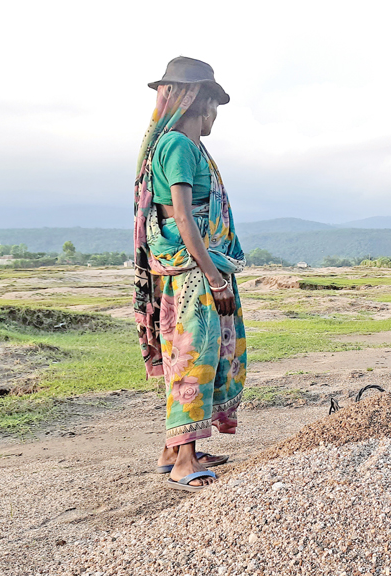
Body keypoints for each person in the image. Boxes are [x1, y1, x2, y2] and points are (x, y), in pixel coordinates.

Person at [133, 57, 247, 492]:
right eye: (212, 103)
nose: (215, 113)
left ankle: (177, 449)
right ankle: (184, 460)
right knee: (193, 356)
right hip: (195, 273)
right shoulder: (179, 146)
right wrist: (215, 279)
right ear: (197, 100)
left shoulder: (188, 147)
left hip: (195, 268)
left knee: (199, 353)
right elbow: (182, 217)